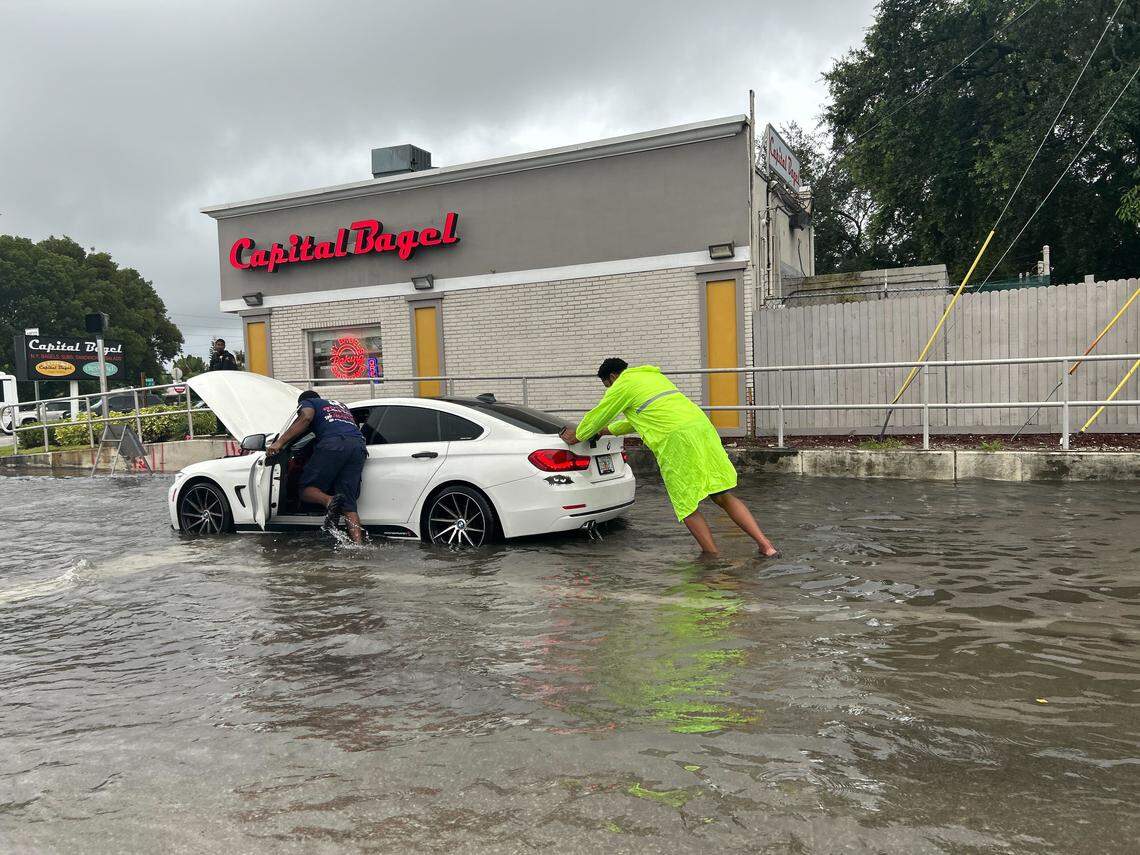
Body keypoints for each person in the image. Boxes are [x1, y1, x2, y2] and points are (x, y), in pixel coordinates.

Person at [560, 358, 779, 558]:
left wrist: (578, 434)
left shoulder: (621, 385)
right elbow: (641, 417)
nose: (609, 389)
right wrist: (606, 431)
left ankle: (713, 560)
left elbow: (599, 414)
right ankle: (766, 545)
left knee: (686, 506)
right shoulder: (652, 377)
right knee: (722, 494)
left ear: (613, 377)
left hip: (676, 440)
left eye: (607, 385)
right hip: (702, 430)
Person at [266, 391, 367, 543]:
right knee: (349, 505)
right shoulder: (341, 407)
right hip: (358, 446)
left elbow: (306, 417)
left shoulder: (309, 403)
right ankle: (358, 545)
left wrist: (279, 443)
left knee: (305, 490)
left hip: (334, 444)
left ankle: (330, 501)